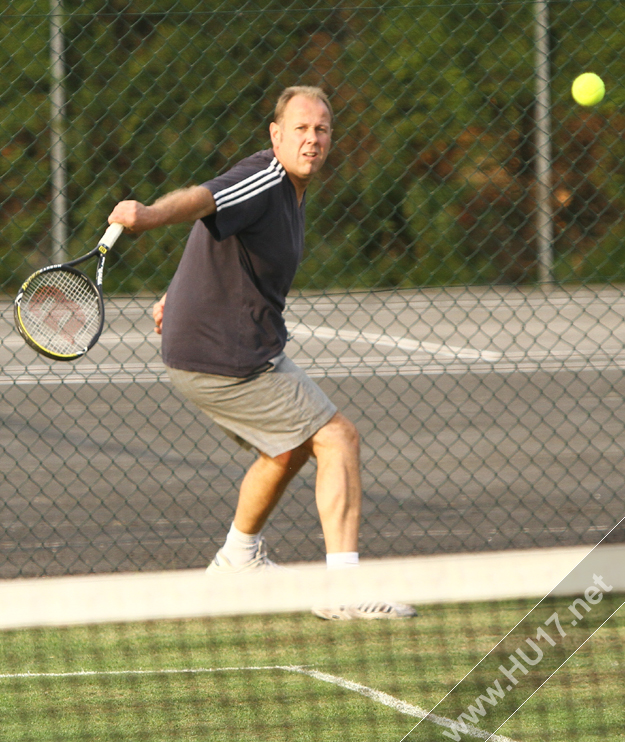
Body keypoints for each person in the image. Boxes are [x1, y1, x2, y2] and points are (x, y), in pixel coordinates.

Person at [108, 86, 416, 620]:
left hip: (227, 345)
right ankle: (342, 588)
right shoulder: (265, 177)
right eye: (300, 129)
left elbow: (223, 244)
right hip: (223, 354)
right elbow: (204, 200)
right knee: (338, 437)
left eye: (321, 130)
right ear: (276, 135)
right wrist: (152, 214)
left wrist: (176, 297)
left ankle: (238, 559)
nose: (312, 140)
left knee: (289, 447)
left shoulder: (292, 192)